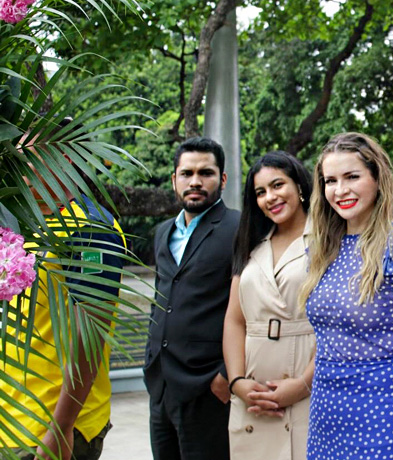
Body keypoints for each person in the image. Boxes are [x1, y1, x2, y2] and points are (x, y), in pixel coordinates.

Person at [299, 132, 393, 460]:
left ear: (377, 178)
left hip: (384, 417)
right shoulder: (322, 249)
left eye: (352, 176)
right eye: (330, 181)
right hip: (326, 415)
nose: (340, 190)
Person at [1, 136, 126, 460]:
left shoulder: (89, 228)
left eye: (33, 154)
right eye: (18, 155)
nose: (23, 164)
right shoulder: (19, 226)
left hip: (50, 428)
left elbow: (91, 332)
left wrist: (61, 427)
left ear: (65, 158)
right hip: (12, 418)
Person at [144, 137, 240, 460]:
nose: (195, 181)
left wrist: (227, 374)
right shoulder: (162, 233)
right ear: (174, 180)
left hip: (208, 389)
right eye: (186, 173)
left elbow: (251, 308)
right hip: (161, 387)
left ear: (222, 179)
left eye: (206, 173)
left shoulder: (239, 228)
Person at [223, 152, 315, 459]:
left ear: (299, 186)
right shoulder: (251, 242)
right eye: (260, 192)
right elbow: (235, 320)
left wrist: (302, 385)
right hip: (253, 395)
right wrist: (237, 382)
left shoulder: (329, 239)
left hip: (309, 384)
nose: (270, 197)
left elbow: (339, 323)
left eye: (278, 185)